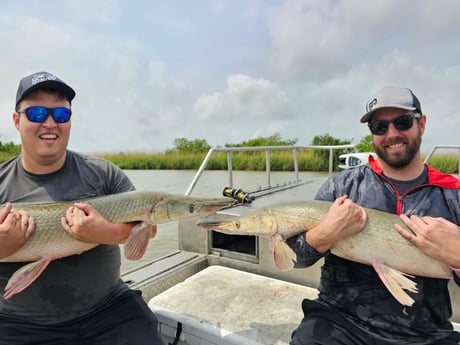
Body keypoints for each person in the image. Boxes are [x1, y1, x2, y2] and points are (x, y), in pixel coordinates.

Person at [0, 71, 164, 345]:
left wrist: (103, 233)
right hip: (19, 324)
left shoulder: (104, 174)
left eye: (61, 115)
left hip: (109, 309)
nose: (50, 123)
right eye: (37, 113)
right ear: (17, 120)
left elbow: (149, 228)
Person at [288, 86, 460, 345]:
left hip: (427, 335)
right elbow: (296, 260)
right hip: (339, 322)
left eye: (402, 122)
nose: (392, 134)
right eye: (380, 127)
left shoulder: (453, 196)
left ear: (421, 124)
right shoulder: (341, 188)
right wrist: (323, 235)